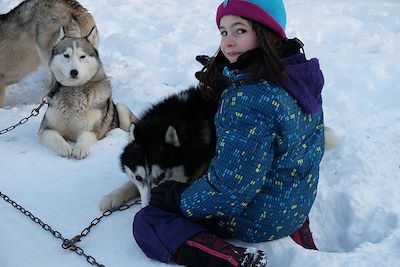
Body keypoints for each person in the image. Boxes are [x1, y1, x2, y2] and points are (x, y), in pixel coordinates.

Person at [133, 0, 325, 266]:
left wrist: (180, 199)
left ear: (266, 32)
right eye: (224, 32)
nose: (228, 42)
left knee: (148, 221)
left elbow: (232, 190)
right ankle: (298, 234)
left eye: (240, 30)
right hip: (296, 205)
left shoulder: (249, 98)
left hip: (259, 218)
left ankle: (233, 259)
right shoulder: (298, 76)